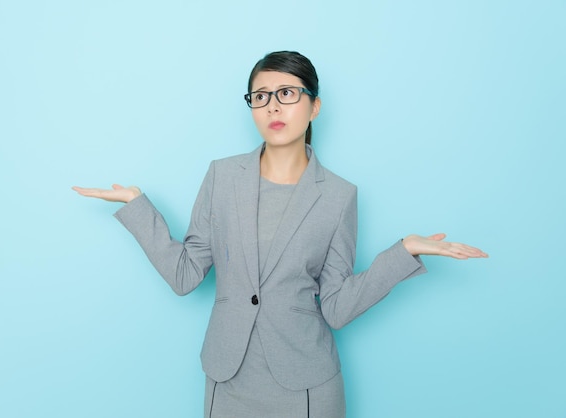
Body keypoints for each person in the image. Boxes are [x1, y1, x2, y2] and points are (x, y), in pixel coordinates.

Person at [72, 51, 488, 418]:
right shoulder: (221, 176)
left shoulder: (340, 196)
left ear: (315, 106)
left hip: (306, 384)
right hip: (228, 377)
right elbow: (185, 276)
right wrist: (137, 205)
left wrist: (403, 252)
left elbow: (338, 308)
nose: (274, 106)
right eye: (261, 96)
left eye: (287, 93)